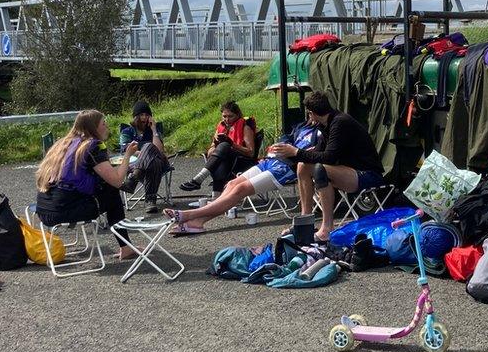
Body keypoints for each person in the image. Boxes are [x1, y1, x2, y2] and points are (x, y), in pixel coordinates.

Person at [163, 123, 320, 235]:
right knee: (231, 183)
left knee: (239, 189)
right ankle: (198, 222)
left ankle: (190, 215)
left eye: (312, 113)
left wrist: (294, 151)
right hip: (271, 161)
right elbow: (287, 137)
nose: (310, 116)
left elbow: (312, 154)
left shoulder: (321, 133)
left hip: (286, 168)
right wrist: (280, 145)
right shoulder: (302, 126)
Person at [269, 91, 385, 243]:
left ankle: (327, 228)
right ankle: (306, 222)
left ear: (311, 113)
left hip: (367, 174)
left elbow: (329, 157)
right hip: (347, 171)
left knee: (320, 169)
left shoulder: (340, 122)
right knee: (303, 166)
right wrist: (292, 154)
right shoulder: (326, 124)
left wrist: (296, 151)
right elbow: (318, 152)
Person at [34, 110, 139, 261]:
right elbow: (116, 180)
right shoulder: (93, 146)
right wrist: (127, 156)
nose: (107, 126)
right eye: (104, 123)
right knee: (112, 190)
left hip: (44, 211)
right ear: (93, 128)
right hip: (63, 211)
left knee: (105, 189)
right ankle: (126, 248)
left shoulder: (62, 144)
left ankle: (126, 247)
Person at [179, 101, 256, 197]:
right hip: (224, 163)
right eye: (224, 116)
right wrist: (216, 145)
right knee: (219, 157)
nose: (227, 119)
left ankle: (199, 180)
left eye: (230, 116)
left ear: (237, 115)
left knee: (224, 146)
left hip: (242, 162)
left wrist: (231, 144)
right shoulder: (221, 127)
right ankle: (216, 199)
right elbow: (210, 153)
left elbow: (251, 152)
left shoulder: (245, 127)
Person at [119, 100, 169, 214]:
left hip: (149, 163)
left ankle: (133, 179)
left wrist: (154, 130)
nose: (145, 117)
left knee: (149, 146)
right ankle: (150, 201)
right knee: (153, 162)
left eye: (147, 115)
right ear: (136, 116)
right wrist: (145, 154)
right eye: (142, 114)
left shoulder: (153, 130)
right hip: (137, 163)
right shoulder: (127, 131)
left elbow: (160, 149)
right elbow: (125, 150)